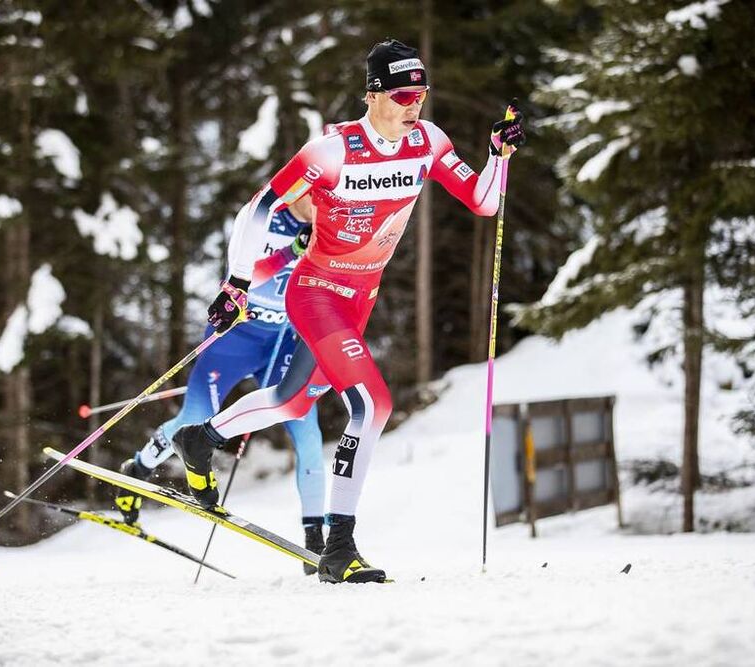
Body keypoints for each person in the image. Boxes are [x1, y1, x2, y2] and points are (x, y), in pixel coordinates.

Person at [171, 38, 525, 583]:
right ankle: (340, 546)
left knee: (291, 402)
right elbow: (258, 208)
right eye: (404, 94)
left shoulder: (427, 142)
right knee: (373, 404)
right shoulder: (333, 151)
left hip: (361, 298)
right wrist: (238, 284)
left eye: (422, 95)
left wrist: (497, 157)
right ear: (374, 94)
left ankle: (201, 439)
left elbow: (484, 202)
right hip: (314, 292)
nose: (415, 106)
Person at [114, 194, 329, 574]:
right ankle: (139, 469)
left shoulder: (330, 223)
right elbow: (249, 275)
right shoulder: (262, 219)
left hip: (280, 343)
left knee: (307, 429)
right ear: (302, 189)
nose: (325, 203)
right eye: (319, 194)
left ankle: (316, 539)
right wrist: (293, 250)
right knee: (195, 417)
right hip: (235, 338)